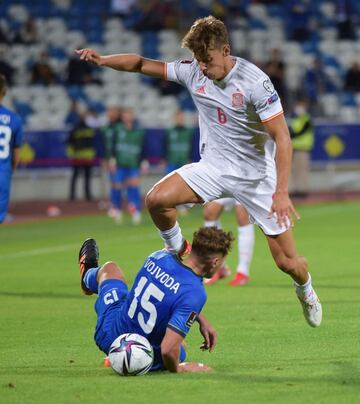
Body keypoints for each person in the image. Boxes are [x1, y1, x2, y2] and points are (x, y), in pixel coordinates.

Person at [75, 15, 322, 328]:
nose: (202, 68)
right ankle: (178, 249)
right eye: (198, 60)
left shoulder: (255, 82)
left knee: (288, 263)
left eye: (207, 60)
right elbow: (140, 64)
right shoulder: (194, 72)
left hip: (256, 177)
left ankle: (306, 289)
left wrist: (281, 191)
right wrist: (102, 60)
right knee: (156, 200)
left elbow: (282, 137)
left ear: (225, 50)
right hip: (214, 167)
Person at [78, 226, 234, 372]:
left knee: (109, 269)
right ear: (215, 262)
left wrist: (200, 318)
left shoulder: (160, 256)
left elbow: (171, 291)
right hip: (145, 356)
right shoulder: (195, 293)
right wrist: (181, 368)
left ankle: (87, 276)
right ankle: (122, 359)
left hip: (110, 333)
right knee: (180, 348)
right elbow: (167, 350)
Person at [102, 108, 144, 224]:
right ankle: (117, 210)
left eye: (129, 115)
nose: (127, 117)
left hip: (133, 163)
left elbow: (143, 147)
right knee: (116, 186)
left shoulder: (138, 131)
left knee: (133, 187)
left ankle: (136, 211)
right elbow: (113, 146)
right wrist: (112, 161)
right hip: (120, 164)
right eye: (125, 115)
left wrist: (144, 161)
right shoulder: (117, 130)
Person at [203, 198, 254, 286]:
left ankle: (243, 272)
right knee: (210, 211)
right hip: (224, 183)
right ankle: (218, 267)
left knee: (242, 215)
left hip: (243, 184)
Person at [0, 74, 23, 223]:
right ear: (4, 91)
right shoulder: (14, 118)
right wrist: (9, 171)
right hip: (3, 172)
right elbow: (16, 155)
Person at [67, 113, 97, 201]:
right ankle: (73, 195)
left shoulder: (89, 129)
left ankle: (87, 195)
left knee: (86, 177)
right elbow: (69, 143)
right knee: (76, 176)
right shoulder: (75, 129)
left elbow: (94, 143)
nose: (82, 118)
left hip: (87, 157)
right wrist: (71, 154)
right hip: (78, 157)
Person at [289, 98, 314, 199]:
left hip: (303, 149)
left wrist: (291, 135)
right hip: (294, 148)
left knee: (302, 170)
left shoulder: (307, 119)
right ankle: (295, 190)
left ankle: (303, 190)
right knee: (294, 170)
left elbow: (301, 132)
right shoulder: (295, 119)